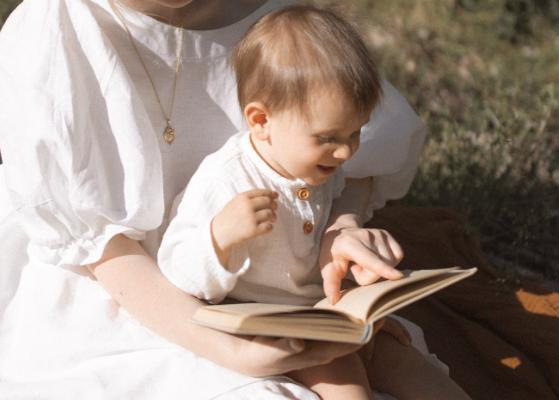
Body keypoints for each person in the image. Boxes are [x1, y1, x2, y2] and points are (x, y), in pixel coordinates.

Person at [0, 0, 470, 399]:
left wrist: (339, 230)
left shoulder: (284, 26)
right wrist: (233, 351)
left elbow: (349, 161)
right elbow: (99, 247)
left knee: (410, 374)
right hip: (125, 293)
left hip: (293, 290)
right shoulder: (54, 35)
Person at [157, 6, 403, 399]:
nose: (344, 153)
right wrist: (220, 238)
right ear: (260, 121)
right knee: (350, 390)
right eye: (327, 138)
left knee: (407, 370)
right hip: (252, 323)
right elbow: (176, 268)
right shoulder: (227, 180)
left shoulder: (319, 169)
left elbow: (334, 213)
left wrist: (354, 266)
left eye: (355, 134)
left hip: (313, 316)